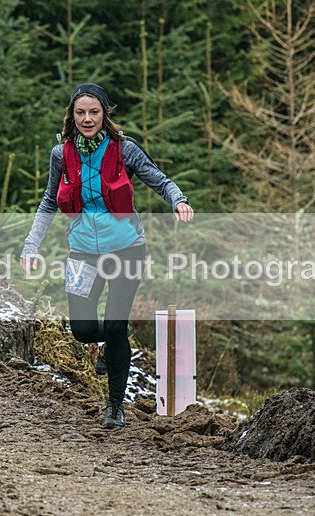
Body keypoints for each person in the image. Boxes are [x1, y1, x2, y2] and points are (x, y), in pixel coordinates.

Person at [19, 82, 193, 429]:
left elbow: (158, 179)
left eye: (94, 112)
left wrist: (178, 199)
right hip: (82, 252)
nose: (87, 119)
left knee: (113, 326)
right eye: (80, 113)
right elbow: (49, 202)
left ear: (104, 114)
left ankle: (115, 406)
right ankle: (116, 336)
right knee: (82, 330)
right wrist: (30, 246)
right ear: (72, 115)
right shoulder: (61, 154)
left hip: (127, 248)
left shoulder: (124, 149)